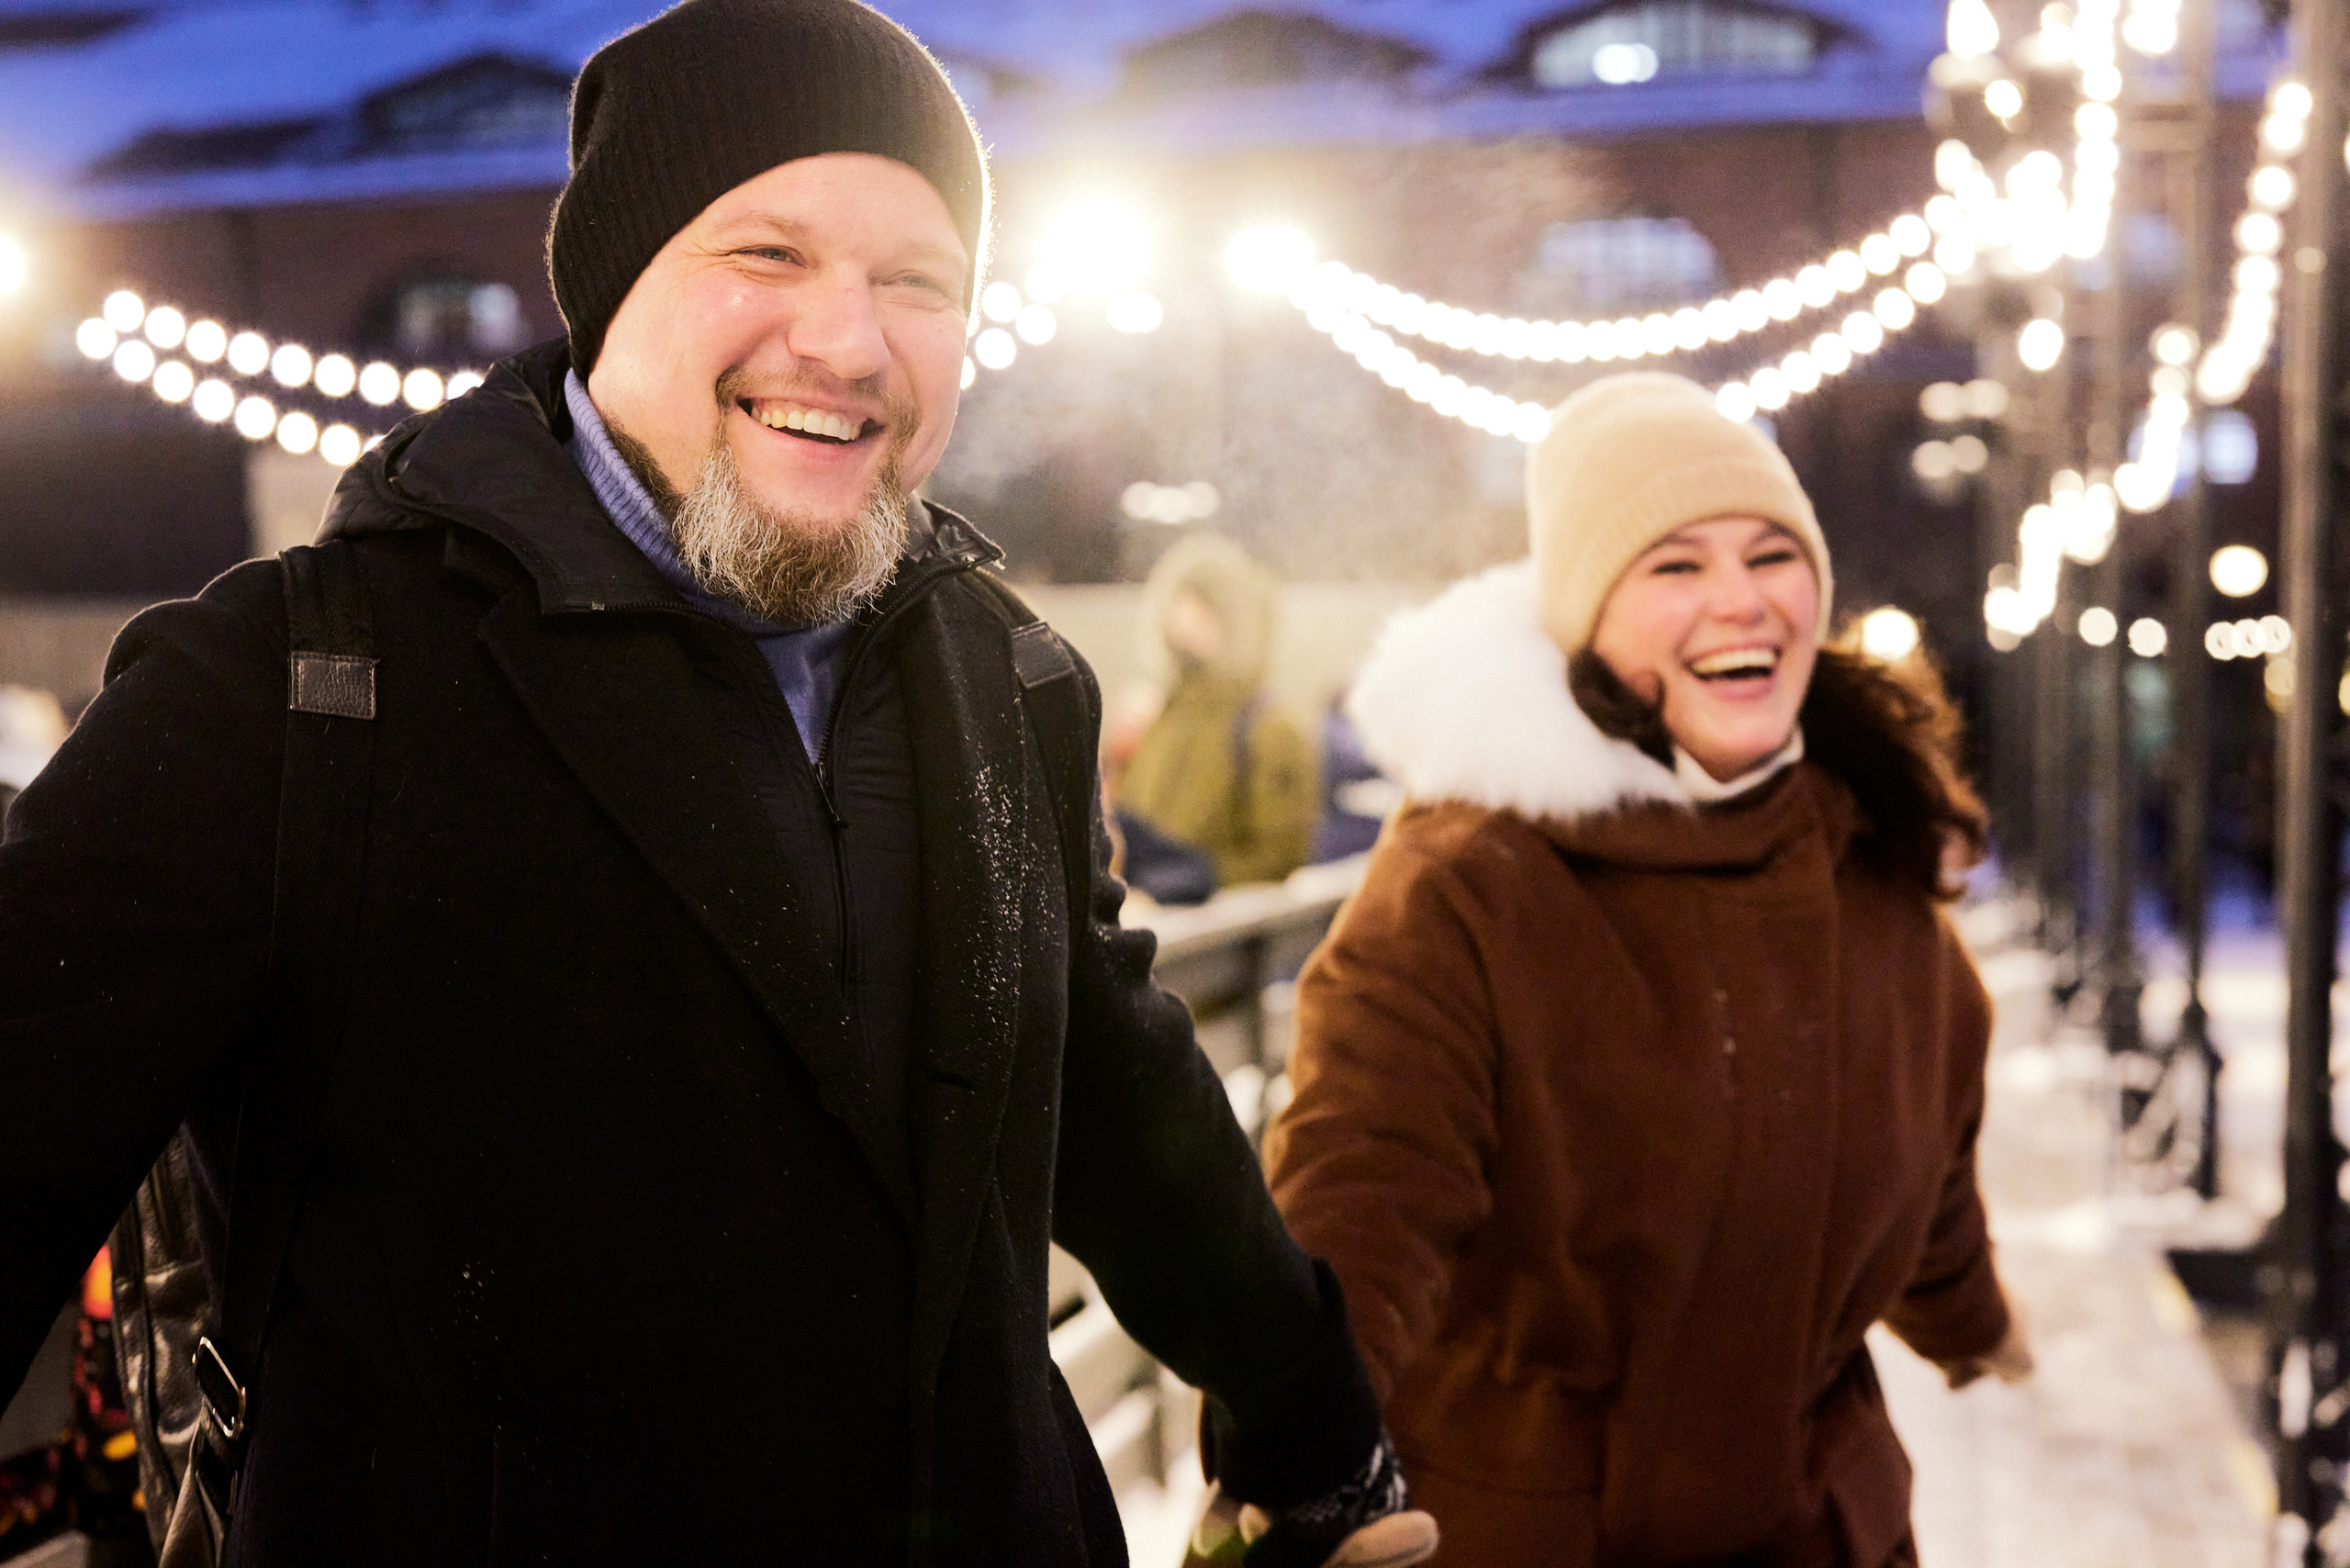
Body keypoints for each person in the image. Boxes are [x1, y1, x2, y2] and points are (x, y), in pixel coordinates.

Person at [0, 4, 1429, 1562]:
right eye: (765, 253)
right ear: (612, 294)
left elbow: (1114, 1096)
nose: (848, 337)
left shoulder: (1007, 681)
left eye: (918, 279)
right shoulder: (294, 688)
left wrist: (1319, 1432)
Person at [1264, 373, 2031, 1567]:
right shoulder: (1468, 885)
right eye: (1673, 567)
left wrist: (1969, 1313)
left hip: (1815, 1524)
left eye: (1772, 554)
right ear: (1588, 620)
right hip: (1523, 1531)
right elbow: (1357, 1199)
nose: (1739, 599)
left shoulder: (1866, 858)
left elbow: (1926, 1139)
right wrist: (1295, 1468)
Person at [1114, 535, 1317, 892]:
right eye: (1182, 606)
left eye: (1204, 610)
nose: (1188, 622)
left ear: (1234, 619)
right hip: (1147, 914)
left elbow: (1279, 857)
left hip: (1217, 934)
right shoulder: (1163, 715)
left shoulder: (1270, 730)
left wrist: (1200, 880)